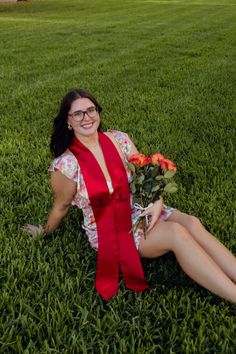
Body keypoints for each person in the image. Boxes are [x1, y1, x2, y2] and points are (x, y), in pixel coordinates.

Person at [23, 88, 236, 303]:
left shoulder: (119, 140)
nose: (86, 117)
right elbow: (61, 206)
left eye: (91, 110)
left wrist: (157, 202)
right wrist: (45, 231)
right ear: (68, 121)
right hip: (111, 228)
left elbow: (144, 174)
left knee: (191, 222)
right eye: (78, 113)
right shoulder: (67, 166)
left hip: (139, 207)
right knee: (176, 233)